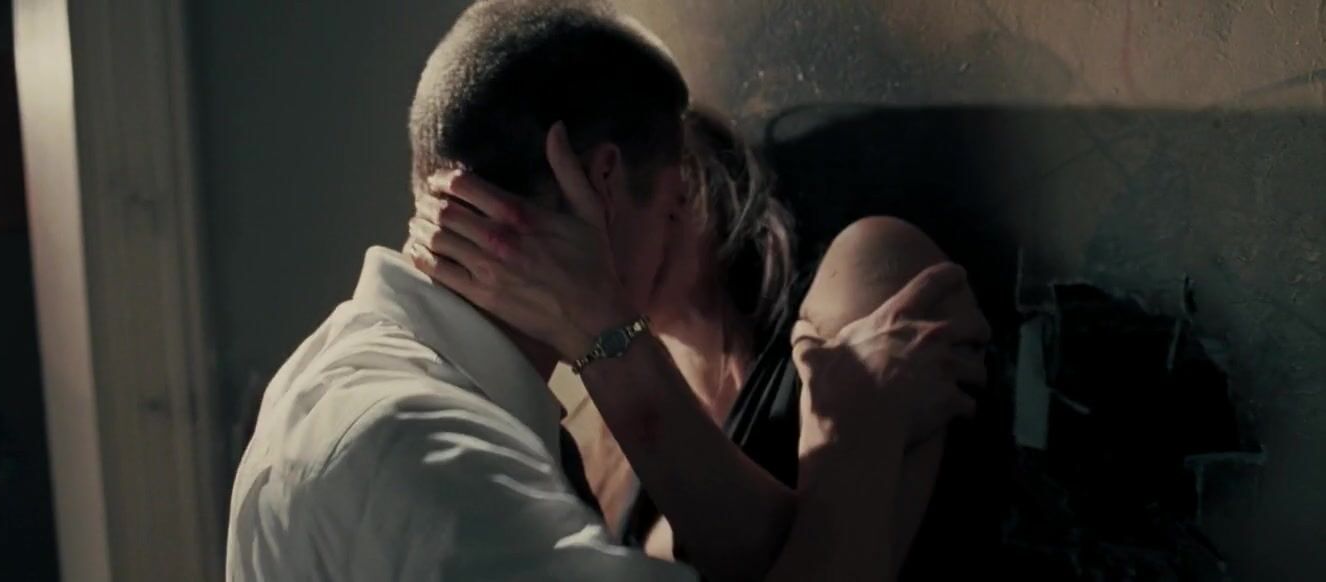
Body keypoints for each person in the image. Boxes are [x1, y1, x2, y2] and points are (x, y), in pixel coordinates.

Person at [228, 1, 987, 580]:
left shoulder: (345, 388)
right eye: (668, 193)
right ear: (601, 183)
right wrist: (855, 442)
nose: (680, 208)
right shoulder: (433, 453)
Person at [410, 104, 990, 577]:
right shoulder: (603, 446)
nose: (581, 242)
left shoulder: (861, 279)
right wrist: (856, 441)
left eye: (600, 183)